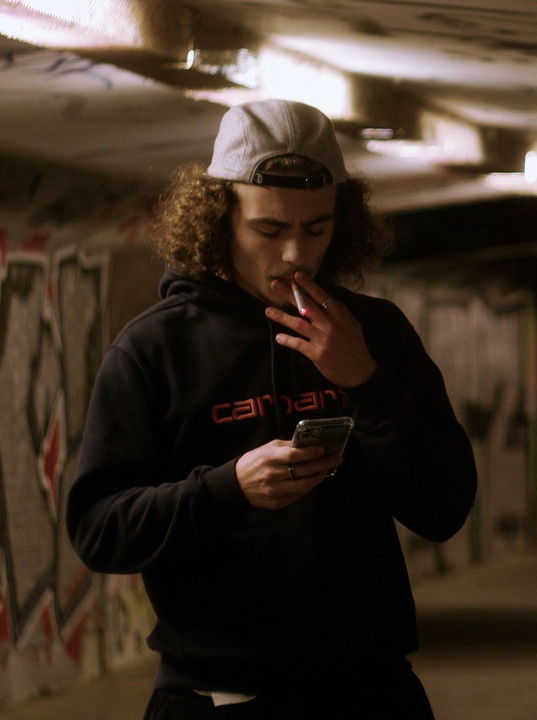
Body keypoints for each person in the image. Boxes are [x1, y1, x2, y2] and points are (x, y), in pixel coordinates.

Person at [67, 99, 477, 720]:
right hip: (218, 696)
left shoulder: (376, 333)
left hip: (372, 691)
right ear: (218, 219)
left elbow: (443, 507)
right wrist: (228, 489)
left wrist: (365, 382)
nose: (294, 254)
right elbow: (100, 533)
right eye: (269, 229)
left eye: (316, 228)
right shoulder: (155, 348)